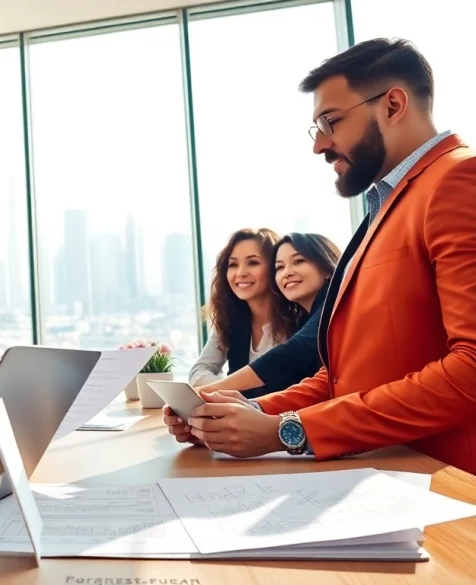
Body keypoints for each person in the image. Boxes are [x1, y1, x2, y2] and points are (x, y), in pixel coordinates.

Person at [166, 39, 476, 474]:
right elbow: (345, 378)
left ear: (393, 105)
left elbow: (471, 370)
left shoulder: (459, 180)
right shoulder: (391, 203)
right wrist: (243, 414)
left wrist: (286, 430)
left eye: (331, 121)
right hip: (387, 472)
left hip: (446, 483)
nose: (320, 145)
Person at [197, 233, 341, 398]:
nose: (287, 273)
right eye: (280, 267)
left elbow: (292, 354)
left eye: (298, 261)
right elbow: (312, 387)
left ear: (327, 268)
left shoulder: (333, 305)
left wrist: (210, 391)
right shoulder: (231, 320)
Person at [187, 228, 298, 387]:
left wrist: (225, 389)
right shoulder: (229, 319)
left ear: (275, 267)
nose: (240, 273)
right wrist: (232, 390)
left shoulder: (298, 320)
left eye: (253, 263)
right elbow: (198, 373)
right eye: (233, 264)